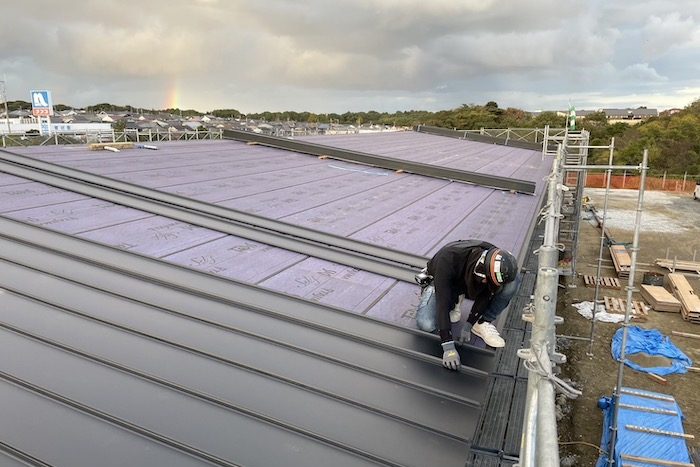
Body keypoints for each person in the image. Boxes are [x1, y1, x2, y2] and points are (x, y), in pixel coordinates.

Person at [415, 240, 519, 370]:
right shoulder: (448, 259)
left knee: (513, 281)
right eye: (485, 279)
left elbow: (486, 294)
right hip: (443, 281)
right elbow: (442, 303)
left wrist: (469, 324)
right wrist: (448, 347)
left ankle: (481, 322)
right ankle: (455, 299)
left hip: (469, 283)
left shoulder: (493, 257)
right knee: (426, 323)